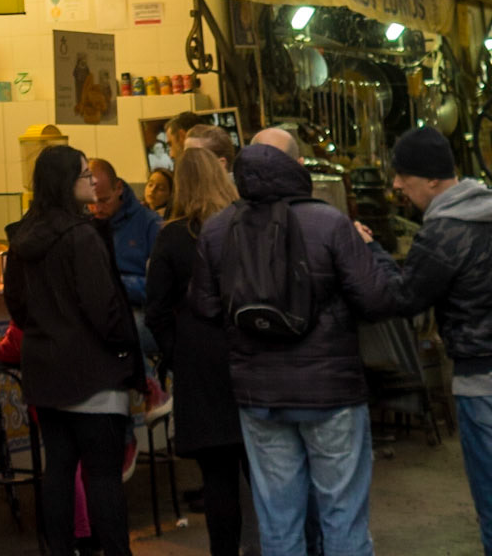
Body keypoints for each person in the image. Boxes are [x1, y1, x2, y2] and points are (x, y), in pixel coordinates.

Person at [192, 125, 399, 556]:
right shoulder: (329, 222)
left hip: (259, 396)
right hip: (331, 394)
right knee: (342, 517)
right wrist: (373, 251)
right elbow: (377, 299)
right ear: (296, 165)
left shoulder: (216, 230)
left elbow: (206, 309)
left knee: (279, 523)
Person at [4, 143, 143, 556]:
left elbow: (17, 303)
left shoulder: (23, 236)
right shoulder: (80, 237)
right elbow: (104, 306)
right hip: (92, 372)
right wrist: (123, 351)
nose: (92, 183)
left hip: (45, 369)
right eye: (84, 175)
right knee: (102, 476)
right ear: (67, 182)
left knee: (59, 471)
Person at [379, 126, 492, 552]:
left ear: (430, 180)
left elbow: (404, 298)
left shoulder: (443, 231)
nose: (394, 185)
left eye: (402, 178)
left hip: (482, 381)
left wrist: (370, 253)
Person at [145, 146, 243, 556]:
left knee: (218, 476)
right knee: (268, 470)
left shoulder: (172, 235)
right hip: (249, 356)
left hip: (199, 365)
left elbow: (156, 310)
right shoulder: (242, 225)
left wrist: (175, 353)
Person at [88, 157, 162, 304]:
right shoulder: (82, 223)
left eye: (104, 200)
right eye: (92, 202)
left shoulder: (150, 223)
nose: (97, 209)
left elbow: (159, 285)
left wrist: (113, 284)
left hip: (133, 303)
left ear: (119, 188)